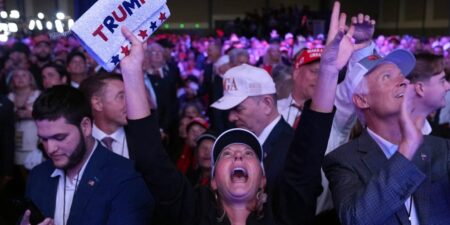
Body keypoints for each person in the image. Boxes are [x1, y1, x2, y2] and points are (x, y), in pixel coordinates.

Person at [118, 1, 354, 223]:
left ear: (263, 179)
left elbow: (308, 153)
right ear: (212, 181)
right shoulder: (193, 213)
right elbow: (150, 159)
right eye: (227, 154)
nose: (239, 155)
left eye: (249, 154)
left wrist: (329, 73)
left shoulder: (283, 214)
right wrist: (131, 72)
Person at [324, 49, 450, 224]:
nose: (403, 81)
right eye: (387, 77)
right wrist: (407, 149)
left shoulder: (441, 149)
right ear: (362, 100)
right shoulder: (344, 161)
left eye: (402, 75)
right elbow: (356, 219)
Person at [20, 85, 153, 225]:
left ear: (85, 126)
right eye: (44, 139)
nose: (50, 149)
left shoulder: (125, 178)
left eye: (59, 137)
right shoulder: (38, 175)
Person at [210, 62, 294, 192]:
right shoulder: (240, 141)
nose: (231, 118)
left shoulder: (292, 148)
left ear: (267, 104)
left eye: (238, 109)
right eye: (229, 111)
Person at [79, 74, 130, 158]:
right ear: (97, 103)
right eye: (121, 97)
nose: (129, 102)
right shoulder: (81, 143)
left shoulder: (142, 138)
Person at [277, 48, 322, 128]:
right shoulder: (274, 110)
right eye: (315, 71)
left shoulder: (331, 117)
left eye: (325, 74)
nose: (320, 78)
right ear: (296, 73)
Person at [7, 68, 42, 170]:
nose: (20, 78)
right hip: (14, 142)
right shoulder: (9, 97)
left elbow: (48, 116)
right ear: (12, 81)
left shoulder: (39, 95)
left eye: (24, 75)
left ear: (31, 79)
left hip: (34, 142)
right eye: (16, 76)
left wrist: (31, 115)